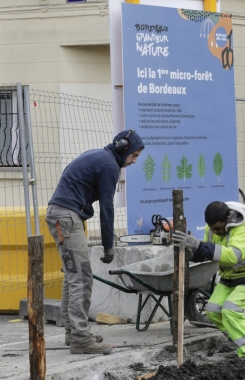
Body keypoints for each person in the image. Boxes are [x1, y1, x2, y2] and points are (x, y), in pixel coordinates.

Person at [45, 129, 145, 354]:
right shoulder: (110, 165)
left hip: (62, 214)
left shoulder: (99, 156)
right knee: (82, 277)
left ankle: (74, 332)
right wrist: (109, 245)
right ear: (123, 148)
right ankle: (81, 338)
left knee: (74, 276)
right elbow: (107, 209)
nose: (134, 161)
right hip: (67, 217)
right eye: (134, 155)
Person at [172, 201, 245, 358]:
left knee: (230, 310)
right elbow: (207, 252)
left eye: (219, 228)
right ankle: (237, 340)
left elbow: (231, 256)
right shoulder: (211, 229)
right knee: (213, 310)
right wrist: (191, 252)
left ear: (228, 218)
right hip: (229, 277)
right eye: (212, 228)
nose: (215, 232)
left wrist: (198, 244)